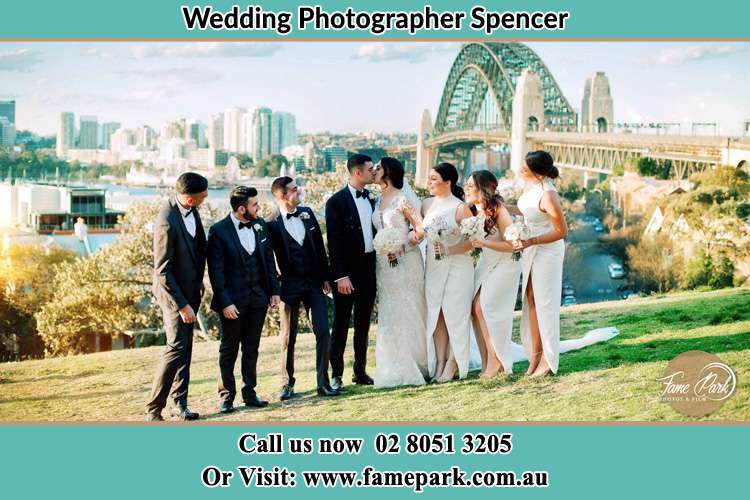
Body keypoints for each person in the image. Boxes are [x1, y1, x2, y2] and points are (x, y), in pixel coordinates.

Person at [207, 186, 281, 413]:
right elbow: (216, 272)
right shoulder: (218, 231)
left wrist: (274, 291)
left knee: (252, 348)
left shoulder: (260, 226)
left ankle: (250, 392)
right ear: (241, 209)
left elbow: (269, 261)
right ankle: (227, 396)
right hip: (232, 303)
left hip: (258, 299)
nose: (258, 208)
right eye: (254, 205)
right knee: (228, 348)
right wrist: (225, 302)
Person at [267, 176, 340, 399]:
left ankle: (323, 383)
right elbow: (268, 259)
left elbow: (319, 247)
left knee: (322, 332)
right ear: (282, 195)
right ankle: (287, 384)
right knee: (289, 336)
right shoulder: (270, 223)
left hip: (314, 283)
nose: (299, 192)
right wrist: (274, 288)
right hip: (288, 285)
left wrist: (326, 277)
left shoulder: (307, 213)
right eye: (294, 190)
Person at [146, 172, 208, 421]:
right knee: (176, 348)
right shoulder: (167, 221)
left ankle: (179, 403)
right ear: (190, 199)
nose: (206, 198)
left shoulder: (192, 210)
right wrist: (182, 305)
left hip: (191, 289)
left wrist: (200, 282)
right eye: (203, 195)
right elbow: (162, 271)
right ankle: (154, 408)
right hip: (173, 294)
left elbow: (197, 248)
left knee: (186, 348)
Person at [371, 157, 429, 388]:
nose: (374, 171)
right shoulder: (376, 201)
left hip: (407, 261)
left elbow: (421, 228)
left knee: (410, 307)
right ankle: (392, 362)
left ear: (388, 173)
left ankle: (417, 362)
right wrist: (387, 247)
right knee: (391, 309)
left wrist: (402, 246)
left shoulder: (402, 199)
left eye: (378, 168)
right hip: (384, 265)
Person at [325, 154, 377, 390]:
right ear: (357, 172)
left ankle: (360, 370)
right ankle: (336, 374)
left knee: (364, 322)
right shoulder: (336, 202)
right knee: (341, 323)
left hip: (369, 267)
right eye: (369, 169)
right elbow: (334, 243)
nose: (373, 172)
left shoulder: (372, 199)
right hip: (346, 271)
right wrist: (340, 275)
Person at [514, 151, 568, 377]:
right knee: (531, 301)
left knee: (545, 304)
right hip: (530, 250)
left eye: (525, 169)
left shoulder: (549, 195)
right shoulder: (531, 188)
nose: (520, 172)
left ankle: (548, 359)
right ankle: (535, 356)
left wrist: (532, 241)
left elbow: (561, 231)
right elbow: (527, 213)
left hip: (547, 252)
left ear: (537, 173)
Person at [421, 163, 474, 383]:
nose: (429, 182)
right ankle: (440, 361)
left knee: (456, 314)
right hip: (433, 267)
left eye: (434, 179)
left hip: (458, 267)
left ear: (448, 182)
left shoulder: (461, 208)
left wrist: (449, 249)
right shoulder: (426, 205)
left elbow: (473, 241)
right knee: (438, 314)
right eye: (429, 178)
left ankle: (454, 362)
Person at [465, 170, 521, 378]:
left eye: (471, 185)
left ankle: (497, 360)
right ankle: (487, 358)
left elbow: (514, 245)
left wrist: (485, 243)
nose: (467, 189)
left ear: (484, 188)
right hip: (487, 262)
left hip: (506, 263)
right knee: (474, 308)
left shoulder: (499, 210)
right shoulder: (475, 209)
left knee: (484, 307)